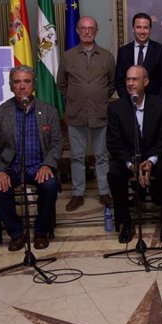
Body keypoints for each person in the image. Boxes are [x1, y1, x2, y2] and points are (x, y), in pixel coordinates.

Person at [0, 65, 62, 251]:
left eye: (26, 82)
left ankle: (41, 231)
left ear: (33, 85)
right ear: (11, 86)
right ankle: (17, 233)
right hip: (11, 168)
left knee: (50, 186)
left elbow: (57, 144)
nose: (22, 86)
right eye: (17, 82)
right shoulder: (0, 112)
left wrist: (48, 165)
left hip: (39, 166)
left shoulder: (48, 111)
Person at [107, 65, 162, 243]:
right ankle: (126, 222)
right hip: (127, 158)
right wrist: (131, 165)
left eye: (134, 79)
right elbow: (114, 143)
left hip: (153, 155)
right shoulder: (116, 108)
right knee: (114, 172)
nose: (130, 83)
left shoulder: (159, 104)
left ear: (145, 82)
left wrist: (151, 162)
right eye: (128, 80)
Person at [57, 16, 115, 212]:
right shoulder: (68, 56)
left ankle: (105, 192)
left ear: (96, 31)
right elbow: (61, 84)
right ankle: (77, 194)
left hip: (100, 113)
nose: (87, 31)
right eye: (83, 28)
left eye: (91, 28)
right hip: (76, 114)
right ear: (77, 30)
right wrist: (76, 97)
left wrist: (97, 96)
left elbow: (112, 83)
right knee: (77, 156)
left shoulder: (107, 56)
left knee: (102, 156)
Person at [115, 12, 162, 99]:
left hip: (154, 106)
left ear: (150, 30)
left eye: (146, 28)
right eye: (138, 27)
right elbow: (119, 81)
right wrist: (128, 102)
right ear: (133, 29)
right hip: (129, 106)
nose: (142, 31)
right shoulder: (123, 51)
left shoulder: (161, 50)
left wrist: (156, 104)